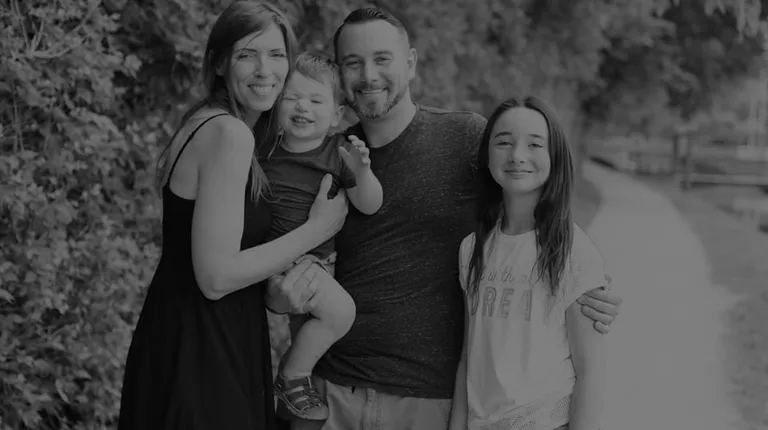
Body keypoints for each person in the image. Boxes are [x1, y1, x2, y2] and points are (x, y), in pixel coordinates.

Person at [268, 8, 624, 430]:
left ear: (411, 63)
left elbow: (530, 206)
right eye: (353, 62)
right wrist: (278, 297)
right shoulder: (324, 155)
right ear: (340, 77)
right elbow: (283, 259)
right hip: (332, 393)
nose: (369, 75)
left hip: (431, 404)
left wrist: (584, 284)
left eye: (382, 59)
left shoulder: (466, 138)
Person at [117, 2, 348, 429]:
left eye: (276, 55)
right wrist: (317, 229)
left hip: (182, 334)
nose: (265, 70)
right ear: (221, 63)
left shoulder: (210, 122)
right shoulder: (230, 133)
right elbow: (216, 277)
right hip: (203, 352)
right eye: (247, 54)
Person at [449, 96, 607, 430]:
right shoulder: (472, 249)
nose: (517, 155)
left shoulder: (572, 250)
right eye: (504, 142)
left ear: (554, 157)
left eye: (534, 144)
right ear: (487, 156)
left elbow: (590, 371)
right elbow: (468, 357)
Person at [262, 52, 383, 421]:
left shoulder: (338, 151)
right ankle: (291, 377)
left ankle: (293, 396)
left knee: (311, 331)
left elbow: (369, 205)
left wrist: (362, 172)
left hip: (320, 265)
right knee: (341, 313)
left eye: (316, 101)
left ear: (335, 115)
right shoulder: (263, 151)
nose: (303, 107)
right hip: (279, 260)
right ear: (277, 103)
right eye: (292, 97)